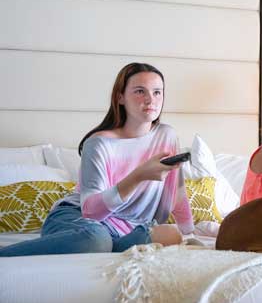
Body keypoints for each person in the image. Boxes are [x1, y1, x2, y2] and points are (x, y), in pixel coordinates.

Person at [0, 62, 193, 257]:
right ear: (120, 97)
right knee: (96, 239)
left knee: (171, 235)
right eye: (140, 91)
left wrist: (190, 233)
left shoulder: (167, 135)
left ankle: (108, 247)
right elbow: (91, 212)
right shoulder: (99, 144)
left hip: (128, 229)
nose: (150, 99)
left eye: (157, 92)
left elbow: (177, 194)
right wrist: (139, 175)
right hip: (78, 219)